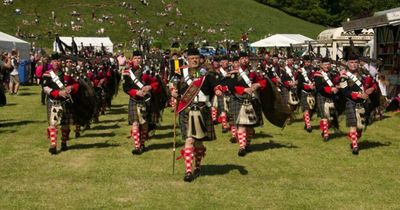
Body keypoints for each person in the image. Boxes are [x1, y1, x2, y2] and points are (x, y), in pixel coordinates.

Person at [171, 48, 223, 182]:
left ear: (199, 59)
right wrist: (172, 91)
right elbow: (171, 83)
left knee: (198, 142)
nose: (194, 60)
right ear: (187, 59)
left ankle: (197, 166)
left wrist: (217, 90)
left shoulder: (207, 73)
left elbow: (215, 84)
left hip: (202, 109)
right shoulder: (180, 72)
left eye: (196, 58)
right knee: (189, 140)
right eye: (191, 58)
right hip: (187, 110)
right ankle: (188, 171)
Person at [226, 52, 266, 156]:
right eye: (242, 58)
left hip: (251, 100)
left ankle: (247, 144)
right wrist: (244, 89)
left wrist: (258, 84)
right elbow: (231, 87)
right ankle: (242, 147)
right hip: (238, 99)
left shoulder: (253, 72)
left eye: (246, 58)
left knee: (250, 127)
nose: (245, 60)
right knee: (242, 124)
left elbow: (263, 81)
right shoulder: (234, 73)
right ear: (239, 60)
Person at [122, 50, 159, 155]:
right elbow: (125, 87)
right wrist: (135, 92)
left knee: (144, 124)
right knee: (135, 123)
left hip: (147, 100)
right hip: (134, 99)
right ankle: (137, 146)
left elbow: (157, 82)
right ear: (132, 59)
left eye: (139, 58)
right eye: (135, 58)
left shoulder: (148, 70)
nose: (137, 60)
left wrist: (150, 86)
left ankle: (142, 143)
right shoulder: (127, 71)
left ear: (142, 59)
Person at [42, 53, 80, 154]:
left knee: (65, 124)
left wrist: (71, 87)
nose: (56, 63)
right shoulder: (47, 74)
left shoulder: (66, 74)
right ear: (51, 62)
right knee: (53, 124)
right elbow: (45, 88)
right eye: (54, 61)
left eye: (58, 61)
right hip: (53, 101)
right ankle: (53, 146)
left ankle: (64, 143)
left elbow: (76, 84)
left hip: (64, 102)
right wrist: (58, 93)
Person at [340, 54, 377, 155]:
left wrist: (372, 89)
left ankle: (355, 137)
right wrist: (358, 95)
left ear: (358, 63)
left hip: (363, 103)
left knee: (360, 126)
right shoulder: (344, 76)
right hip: (351, 102)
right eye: (351, 62)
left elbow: (374, 83)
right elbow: (344, 91)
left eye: (355, 62)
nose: (353, 64)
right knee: (353, 124)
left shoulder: (364, 73)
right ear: (347, 63)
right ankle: (355, 146)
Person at [314, 57, 340, 141]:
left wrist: (337, 86)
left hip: (331, 97)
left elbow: (336, 82)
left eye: (328, 64)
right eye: (325, 64)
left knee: (331, 117)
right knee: (324, 116)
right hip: (321, 96)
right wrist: (330, 89)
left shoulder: (333, 74)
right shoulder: (317, 74)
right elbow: (319, 87)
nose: (327, 66)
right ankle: (326, 134)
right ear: (321, 65)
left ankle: (325, 130)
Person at [297, 55, 316, 132]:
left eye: (309, 62)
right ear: (303, 62)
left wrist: (314, 84)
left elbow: (316, 80)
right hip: (304, 91)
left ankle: (306, 122)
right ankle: (308, 125)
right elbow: (300, 83)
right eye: (306, 62)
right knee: (306, 109)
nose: (307, 63)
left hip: (312, 92)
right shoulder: (300, 71)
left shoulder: (313, 70)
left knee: (311, 109)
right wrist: (308, 87)